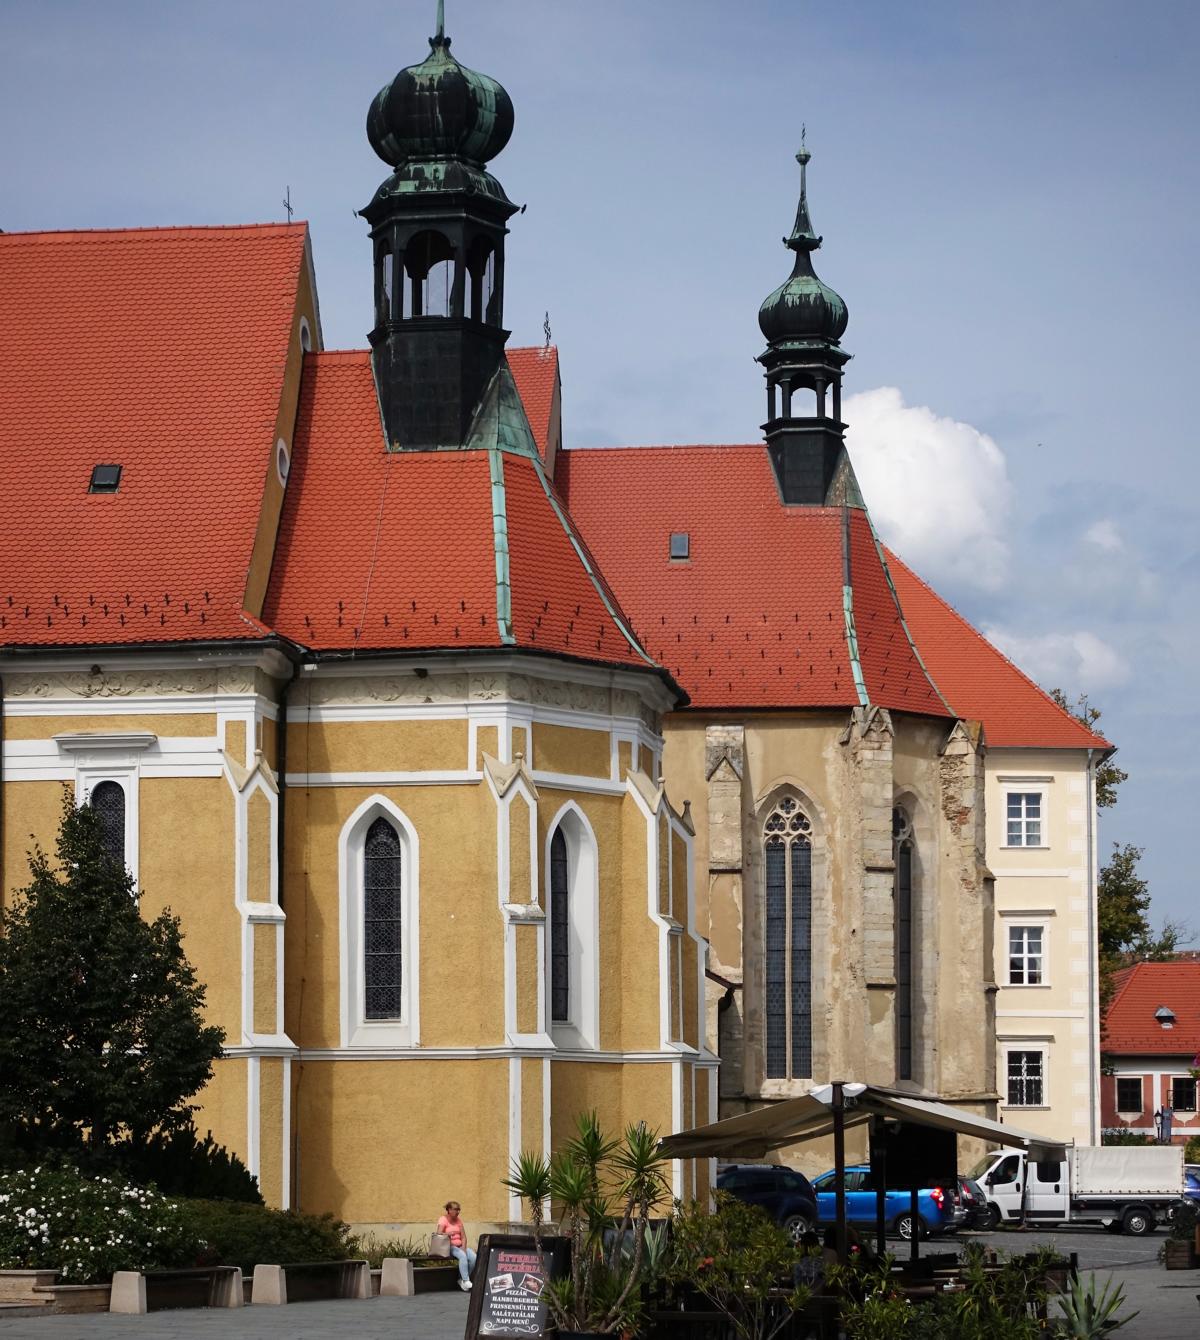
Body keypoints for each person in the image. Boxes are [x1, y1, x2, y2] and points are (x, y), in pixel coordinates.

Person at [437, 1201, 476, 1291]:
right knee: (462, 1256)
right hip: (449, 1246)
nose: (458, 1212)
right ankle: (466, 1280)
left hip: (460, 1246)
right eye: (455, 1209)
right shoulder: (443, 1219)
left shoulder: (458, 1220)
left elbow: (463, 1237)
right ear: (449, 1210)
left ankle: (461, 1279)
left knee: (474, 1258)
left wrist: (464, 1247)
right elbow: (438, 1234)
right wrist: (447, 1234)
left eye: (459, 1210)